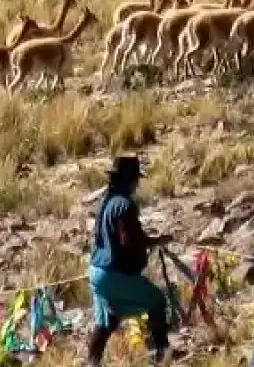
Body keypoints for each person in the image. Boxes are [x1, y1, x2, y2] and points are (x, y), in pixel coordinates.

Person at [87, 155, 174, 365]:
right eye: (136, 179)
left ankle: (92, 362)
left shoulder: (106, 202)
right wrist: (152, 242)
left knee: (107, 320)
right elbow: (127, 239)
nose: (137, 184)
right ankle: (161, 355)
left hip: (96, 271)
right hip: (112, 272)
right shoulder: (124, 205)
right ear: (130, 180)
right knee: (157, 301)